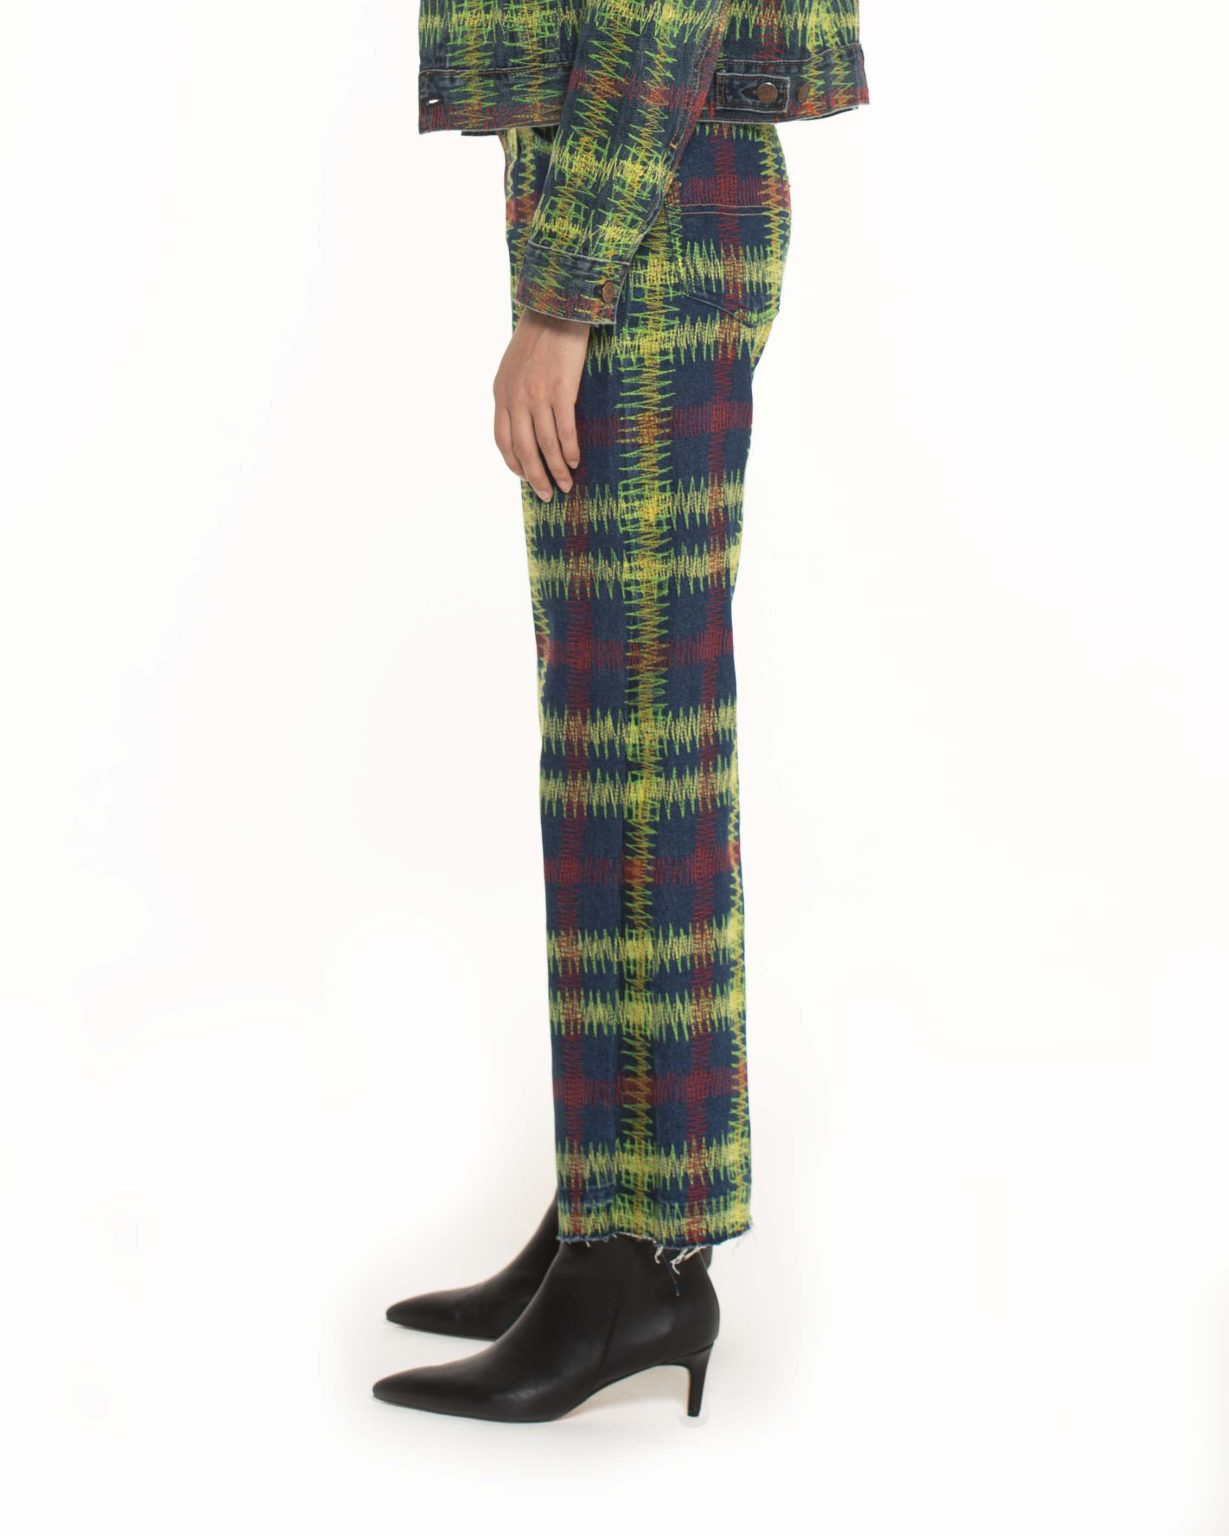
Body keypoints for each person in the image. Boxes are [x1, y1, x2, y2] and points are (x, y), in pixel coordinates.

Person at [373, 1, 869, 1422]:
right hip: (625, 170)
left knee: (638, 744)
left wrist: (560, 296)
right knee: (608, 736)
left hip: (652, 189)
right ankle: (609, 1204)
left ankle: (643, 1257)